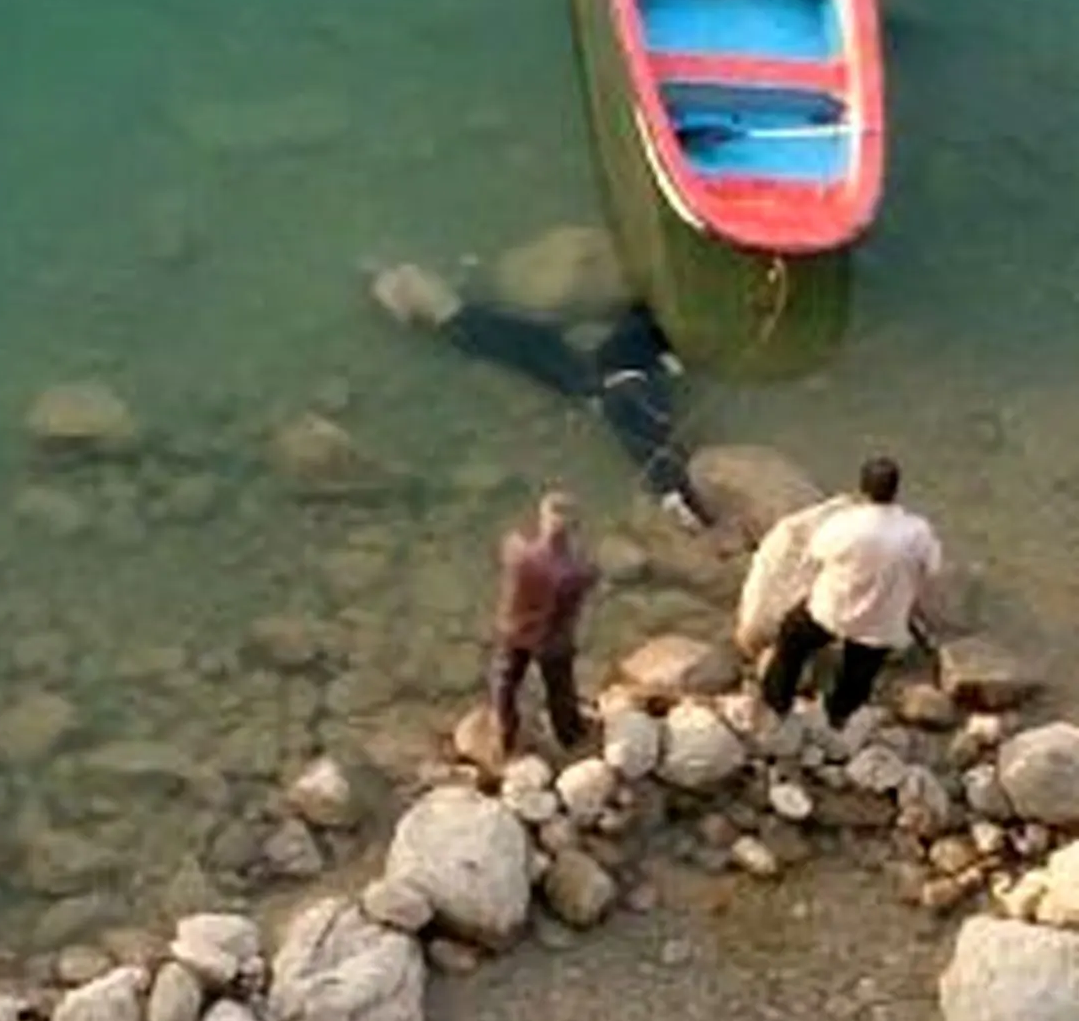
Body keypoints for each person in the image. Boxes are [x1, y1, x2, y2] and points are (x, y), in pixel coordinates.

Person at [370, 263, 713, 529]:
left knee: (523, 344)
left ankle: (430, 300)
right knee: (521, 344)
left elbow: (646, 436)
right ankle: (431, 300)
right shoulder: (627, 387)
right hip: (601, 371)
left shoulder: (624, 385)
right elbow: (646, 436)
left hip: (599, 370)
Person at [759, 454, 942, 730]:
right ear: (895, 491)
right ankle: (838, 715)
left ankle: (777, 702)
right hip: (881, 622)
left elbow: (817, 553)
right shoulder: (918, 532)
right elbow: (932, 569)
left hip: (833, 610)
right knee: (859, 674)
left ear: (862, 490)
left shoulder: (844, 525)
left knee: (791, 638)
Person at [491, 490, 597, 756]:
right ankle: (570, 736)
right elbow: (588, 582)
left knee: (505, 682)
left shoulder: (517, 552)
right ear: (573, 529)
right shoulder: (575, 570)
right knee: (560, 690)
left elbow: (510, 544)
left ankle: (506, 734)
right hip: (553, 638)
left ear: (542, 520)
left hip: (515, 631)